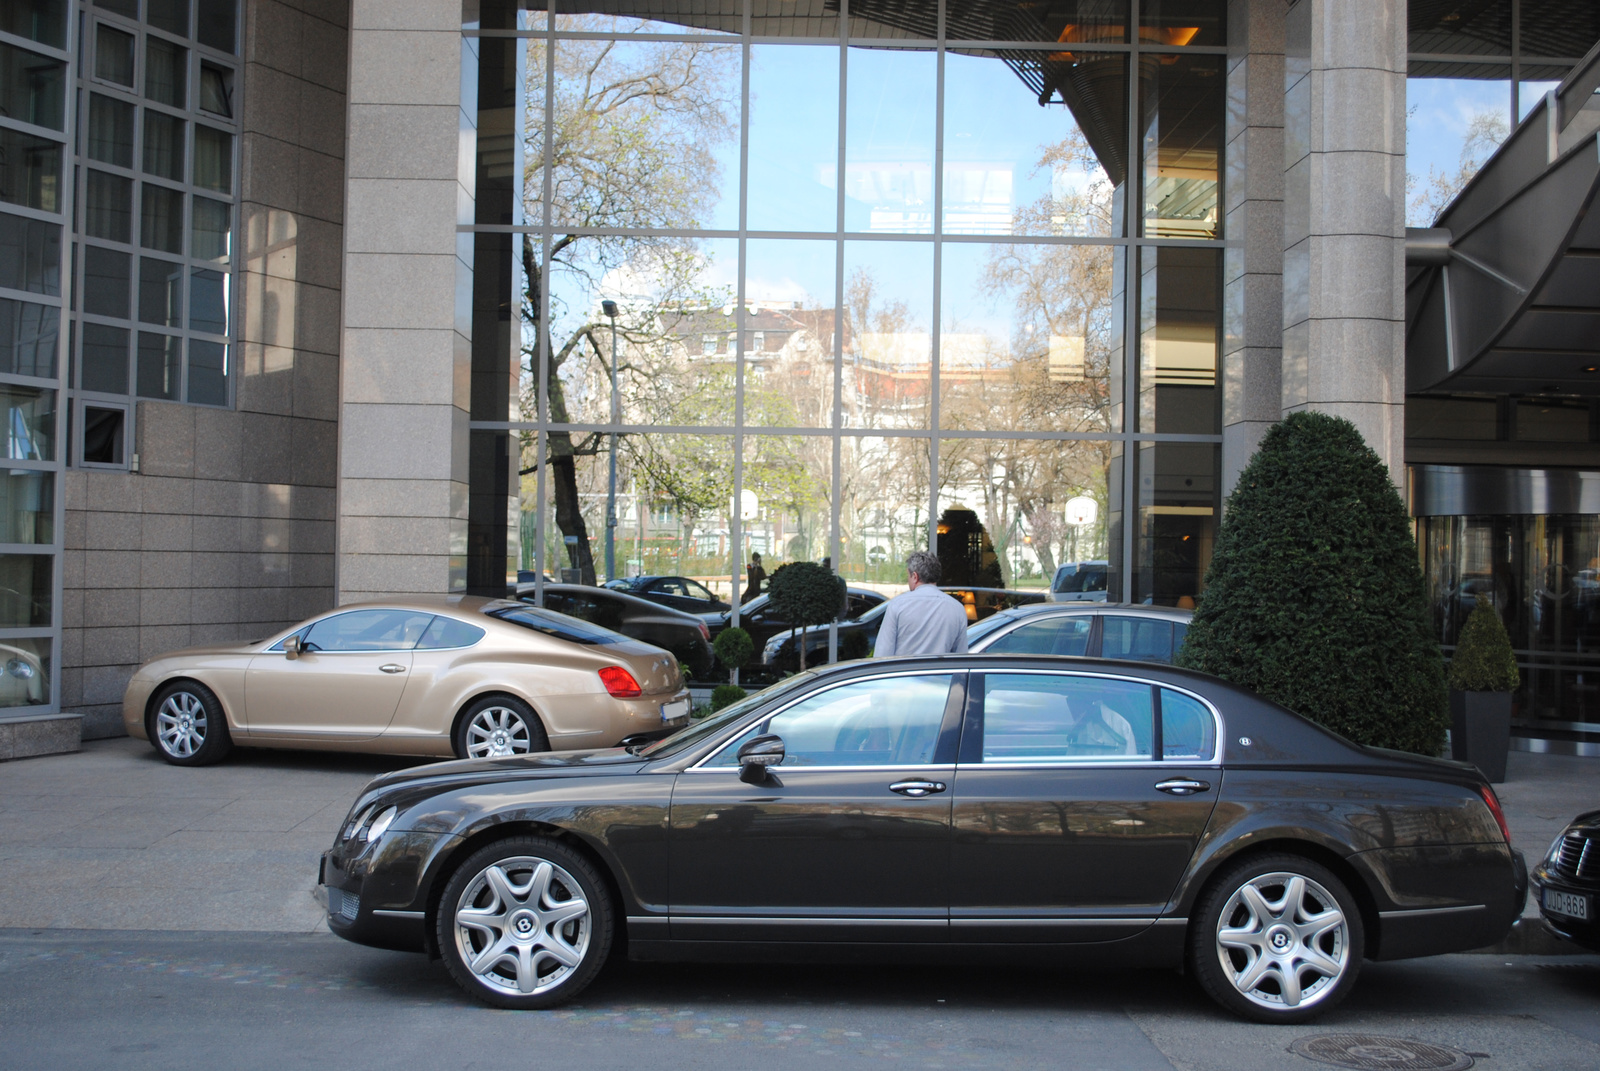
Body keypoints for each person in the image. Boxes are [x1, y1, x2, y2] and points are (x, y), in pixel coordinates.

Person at [875, 550, 968, 657]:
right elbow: (960, 658)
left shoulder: (897, 605)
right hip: (941, 673)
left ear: (915, 576)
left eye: (908, 576)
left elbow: (882, 655)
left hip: (904, 673)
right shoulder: (957, 609)